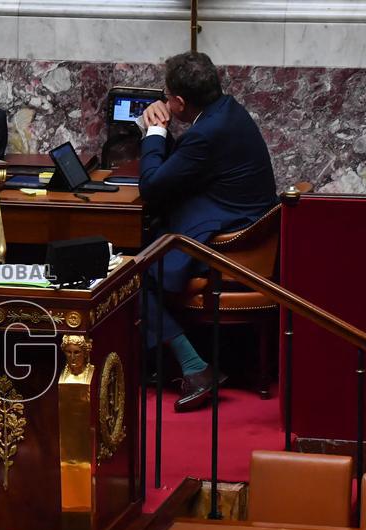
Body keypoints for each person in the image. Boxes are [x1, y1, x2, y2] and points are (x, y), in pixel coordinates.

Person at [137, 51, 277, 412]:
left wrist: (154, 132)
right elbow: (183, 169)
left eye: (167, 97)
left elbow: (152, 186)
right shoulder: (226, 111)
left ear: (180, 102)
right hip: (236, 223)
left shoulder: (208, 132)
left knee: (131, 276)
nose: (165, 103)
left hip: (231, 244)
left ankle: (195, 368)